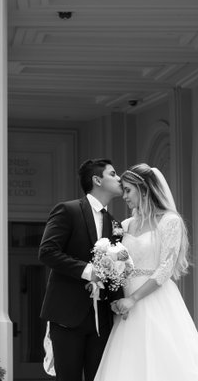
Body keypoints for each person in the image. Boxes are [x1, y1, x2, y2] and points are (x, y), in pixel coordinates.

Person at [94, 163, 198, 381]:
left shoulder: (170, 221)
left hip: (155, 299)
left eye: (128, 190)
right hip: (126, 303)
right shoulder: (124, 225)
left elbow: (166, 268)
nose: (124, 196)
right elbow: (114, 259)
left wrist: (134, 299)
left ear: (143, 189)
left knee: (165, 359)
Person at [39, 158, 123, 381]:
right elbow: (47, 251)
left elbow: (115, 269)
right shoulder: (68, 210)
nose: (119, 178)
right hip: (67, 315)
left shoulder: (115, 224)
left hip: (102, 318)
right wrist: (88, 271)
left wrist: (119, 301)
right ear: (97, 180)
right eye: (113, 174)